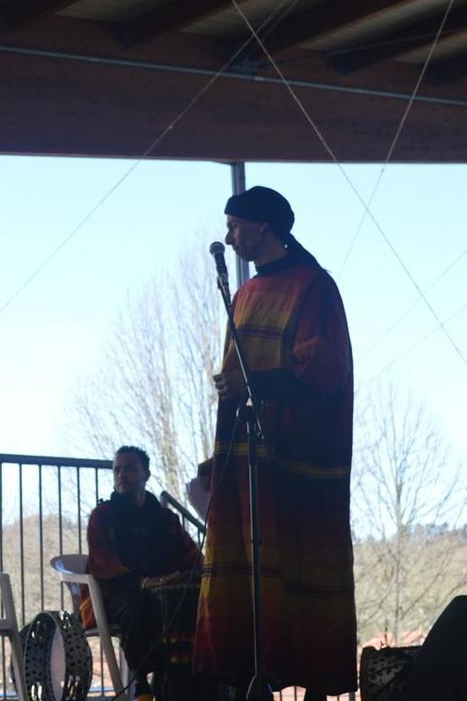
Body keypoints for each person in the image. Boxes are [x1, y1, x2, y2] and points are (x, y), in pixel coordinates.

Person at [194, 186, 356, 699]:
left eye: (234, 226)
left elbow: (325, 369)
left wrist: (252, 383)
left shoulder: (314, 286)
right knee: (250, 574)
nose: (228, 238)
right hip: (248, 465)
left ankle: (315, 686)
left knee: (302, 571)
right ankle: (251, 677)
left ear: (263, 226)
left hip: (297, 466)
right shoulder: (244, 294)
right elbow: (239, 372)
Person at [81, 446, 204, 701]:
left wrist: (195, 575)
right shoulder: (102, 517)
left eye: (129, 468)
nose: (121, 475)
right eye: (117, 470)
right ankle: (141, 683)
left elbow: (193, 558)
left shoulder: (165, 518)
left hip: (162, 593)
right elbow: (102, 564)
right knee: (139, 605)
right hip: (116, 595)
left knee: (192, 600)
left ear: (146, 475)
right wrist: (145, 582)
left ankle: (188, 681)